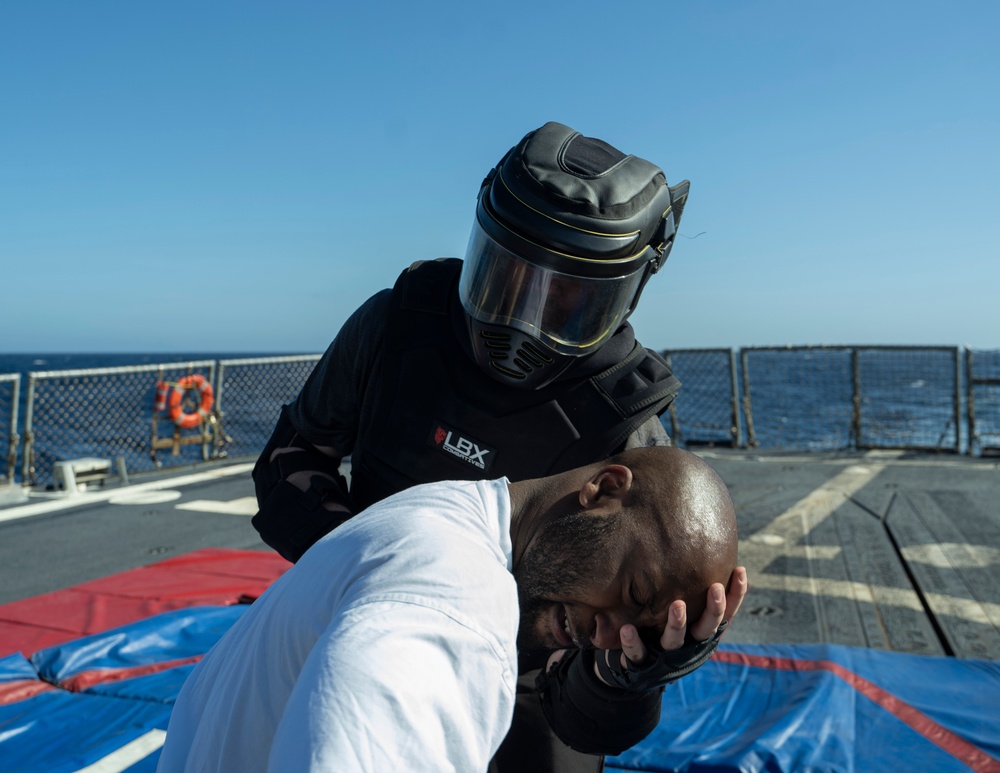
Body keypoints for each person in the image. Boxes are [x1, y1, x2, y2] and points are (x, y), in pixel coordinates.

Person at [251, 121, 747, 771]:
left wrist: (631, 673)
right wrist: (375, 582)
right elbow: (291, 461)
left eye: (564, 299)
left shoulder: (621, 423)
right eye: (506, 279)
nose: (520, 321)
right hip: (363, 634)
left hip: (521, 690)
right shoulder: (398, 325)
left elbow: (588, 715)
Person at [159, 446, 743, 773]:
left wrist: (627, 682)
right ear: (602, 489)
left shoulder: (444, 510)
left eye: (636, 631)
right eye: (636, 594)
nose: (610, 635)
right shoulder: (453, 601)